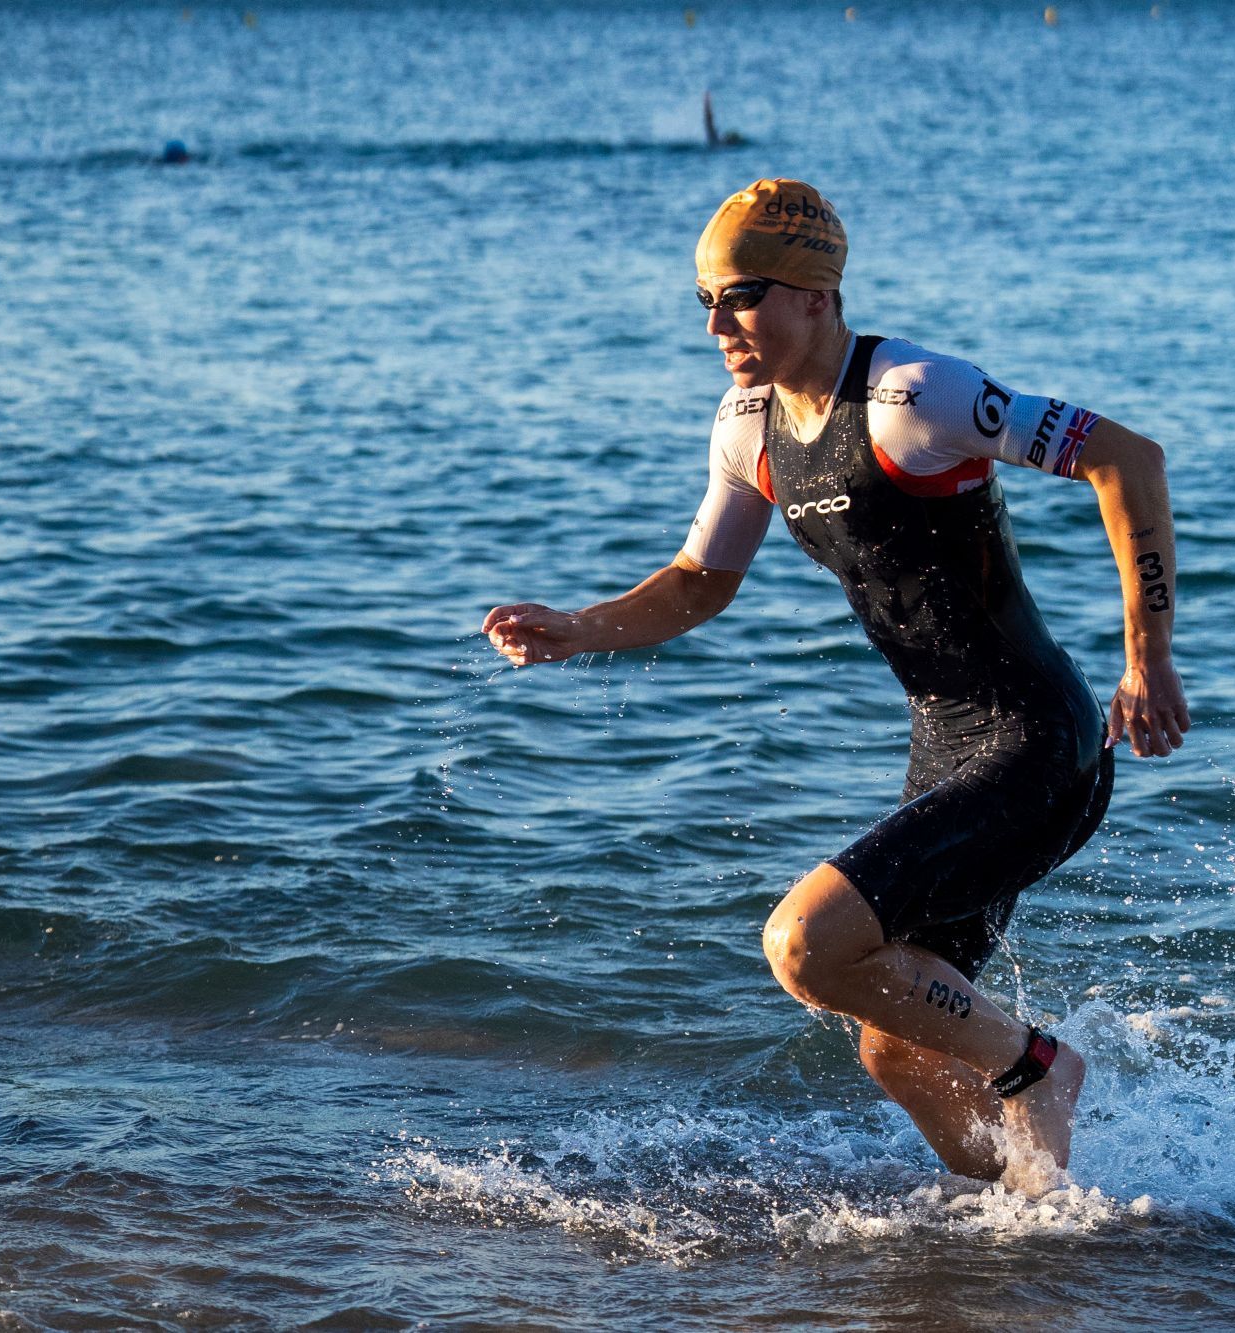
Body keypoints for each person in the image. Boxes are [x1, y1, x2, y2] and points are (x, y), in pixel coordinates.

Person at [482, 178, 1189, 1189]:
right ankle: (1044, 1236)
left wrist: (1146, 656)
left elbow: (1125, 457)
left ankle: (1040, 1068)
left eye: (744, 293)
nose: (719, 321)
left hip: (1036, 741)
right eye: (706, 300)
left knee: (805, 945)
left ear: (815, 296)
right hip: (944, 746)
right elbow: (696, 583)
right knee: (895, 1050)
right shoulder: (747, 425)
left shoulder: (913, 396)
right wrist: (574, 630)